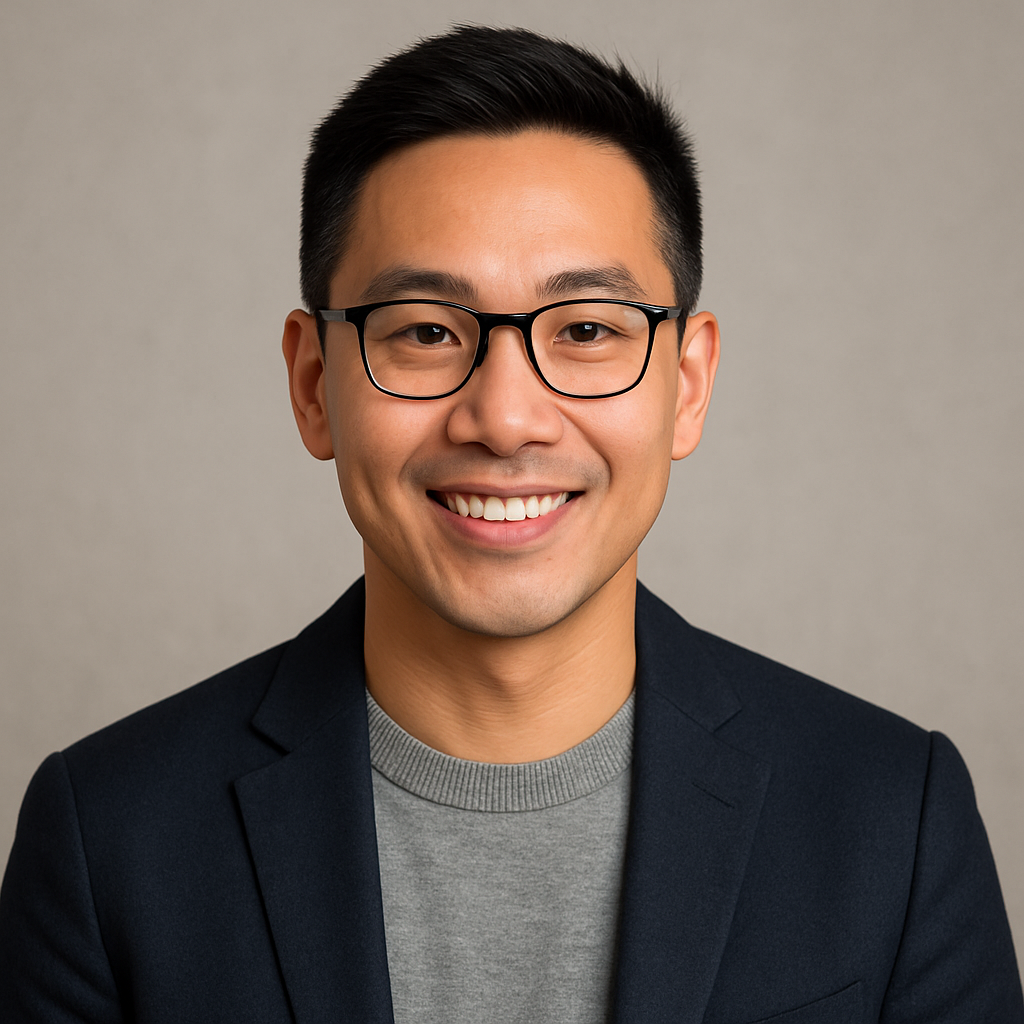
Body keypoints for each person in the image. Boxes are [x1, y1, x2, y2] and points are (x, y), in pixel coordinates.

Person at [0, 24, 1020, 1024]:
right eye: (426, 332)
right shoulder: (108, 838)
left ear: (687, 382)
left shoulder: (893, 818)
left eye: (584, 330)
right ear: (314, 384)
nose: (505, 417)